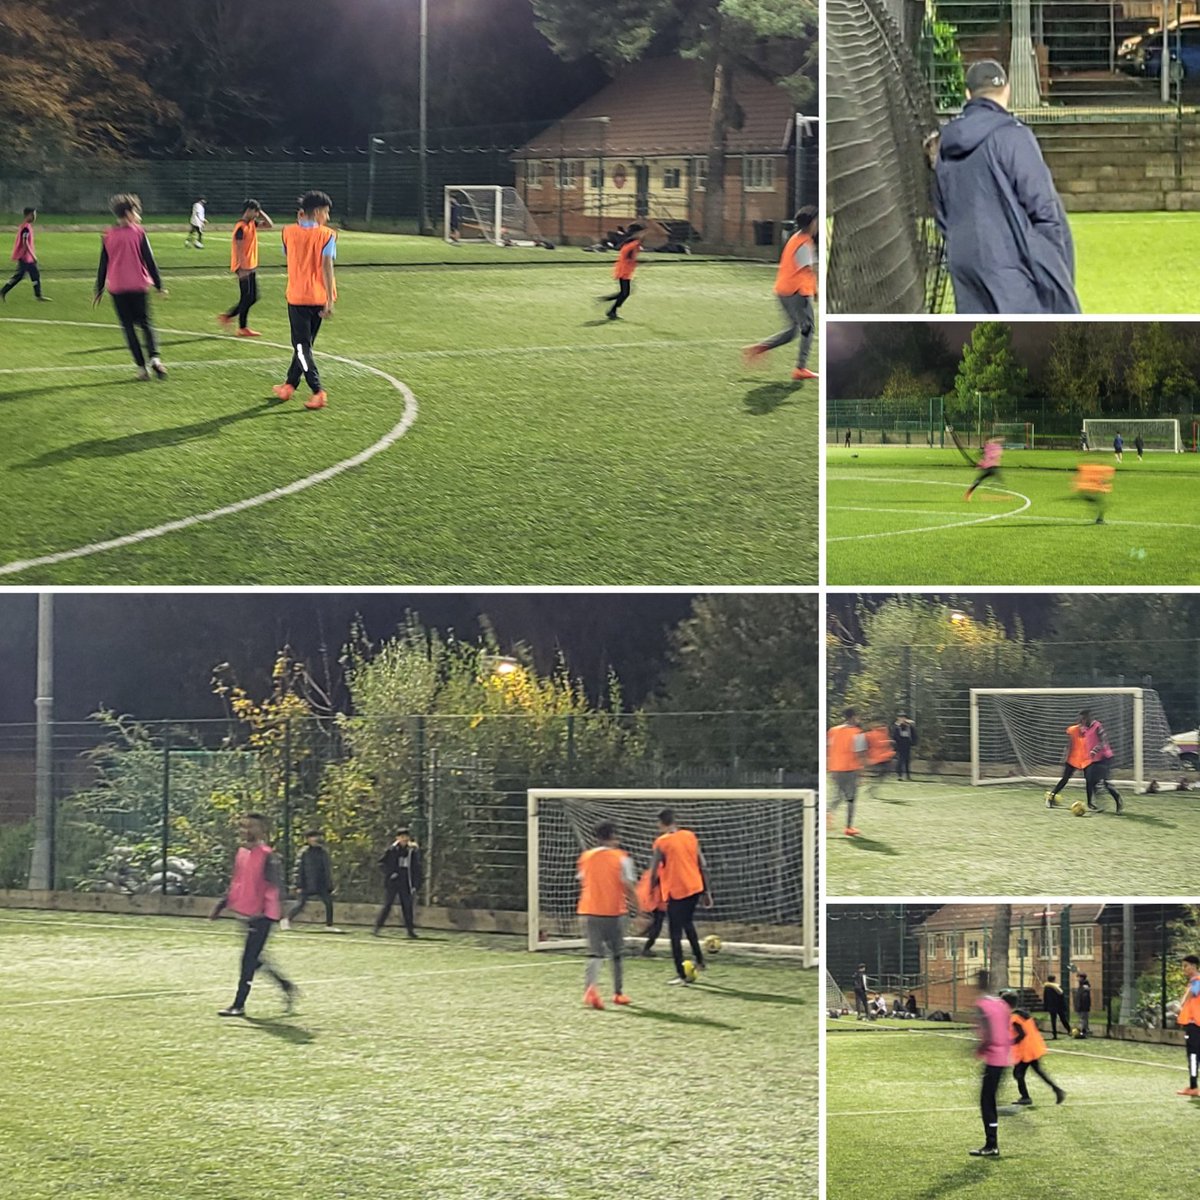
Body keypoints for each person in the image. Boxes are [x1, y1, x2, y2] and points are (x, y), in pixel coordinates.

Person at [933, 60, 1079, 315]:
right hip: (1012, 267)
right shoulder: (1014, 136)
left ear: (968, 94)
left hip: (965, 263)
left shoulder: (945, 145)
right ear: (1007, 90)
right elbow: (1043, 207)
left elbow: (942, 211)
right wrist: (1057, 268)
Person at [209, 813, 297, 1017]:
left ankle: (238, 1005)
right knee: (255, 959)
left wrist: (272, 912)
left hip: (262, 916)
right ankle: (286, 986)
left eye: (252, 827)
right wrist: (222, 905)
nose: (247, 830)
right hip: (245, 913)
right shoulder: (241, 852)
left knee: (248, 959)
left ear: (261, 830)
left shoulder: (268, 855)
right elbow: (237, 882)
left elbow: (276, 887)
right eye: (244, 826)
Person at [273, 190, 337, 411]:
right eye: (326, 212)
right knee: (304, 346)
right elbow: (327, 268)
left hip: (298, 297)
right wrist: (330, 299)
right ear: (318, 212)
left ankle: (317, 390)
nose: (327, 217)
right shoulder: (328, 235)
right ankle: (289, 385)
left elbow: (287, 253)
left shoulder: (287, 232)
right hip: (319, 297)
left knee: (301, 347)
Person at [93, 193, 167, 381]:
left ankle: (142, 369)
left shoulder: (107, 235)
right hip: (138, 285)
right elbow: (150, 260)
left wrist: (99, 289)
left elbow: (103, 264)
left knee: (128, 328)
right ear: (128, 213)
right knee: (146, 323)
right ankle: (155, 359)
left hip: (117, 287)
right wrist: (159, 285)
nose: (137, 215)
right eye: (135, 211)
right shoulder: (139, 233)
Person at [741, 205, 819, 382]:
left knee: (792, 331)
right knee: (808, 328)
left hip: (783, 291)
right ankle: (800, 368)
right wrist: (815, 291)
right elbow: (807, 270)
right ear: (813, 222)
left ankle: (759, 348)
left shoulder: (795, 239)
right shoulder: (804, 244)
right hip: (797, 293)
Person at [577, 821, 638, 1009]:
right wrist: (640, 908)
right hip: (614, 911)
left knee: (594, 953)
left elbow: (582, 880)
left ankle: (590, 989)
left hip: (588, 910)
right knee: (617, 954)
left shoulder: (586, 857)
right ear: (613, 835)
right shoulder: (621, 858)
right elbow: (628, 885)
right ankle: (618, 993)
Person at [648, 808, 712, 985]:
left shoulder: (661, 842)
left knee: (675, 933)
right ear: (675, 820)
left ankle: (682, 974)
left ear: (660, 823)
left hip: (677, 890)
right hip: (695, 886)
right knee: (688, 923)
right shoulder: (690, 836)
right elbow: (703, 864)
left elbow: (654, 871)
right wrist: (707, 891)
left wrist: (650, 889)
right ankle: (699, 960)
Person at [971, 971, 1011, 1157]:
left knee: (986, 1101)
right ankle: (992, 1143)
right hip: (1004, 1058)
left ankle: (991, 1145)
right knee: (990, 1100)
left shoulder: (983, 1005)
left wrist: (981, 1048)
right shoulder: (1002, 1004)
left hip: (994, 1058)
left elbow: (989, 1031)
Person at [219, 199, 273, 337]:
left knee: (249, 297)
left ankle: (240, 325)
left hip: (250, 265)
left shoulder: (252, 224)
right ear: (248, 210)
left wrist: (261, 212)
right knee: (250, 297)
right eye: (255, 211)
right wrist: (241, 268)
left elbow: (269, 225)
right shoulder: (241, 227)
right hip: (244, 267)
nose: (256, 215)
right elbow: (239, 248)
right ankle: (231, 317)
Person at [1005, 992, 1066, 1105]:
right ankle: (1057, 1090)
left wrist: (1009, 1042)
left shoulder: (1014, 1017)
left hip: (1025, 1050)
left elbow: (1021, 1034)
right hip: (1033, 1047)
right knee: (1037, 1072)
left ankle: (1025, 1097)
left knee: (1018, 1073)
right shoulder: (1023, 1014)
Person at [283, 829, 339, 931]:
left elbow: (327, 869)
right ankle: (286, 920)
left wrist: (330, 884)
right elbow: (298, 870)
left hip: (321, 883)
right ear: (308, 839)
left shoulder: (323, 852)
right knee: (300, 904)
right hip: (307, 884)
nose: (316, 839)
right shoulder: (304, 852)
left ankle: (329, 925)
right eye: (313, 837)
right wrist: (298, 885)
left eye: (317, 836)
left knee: (328, 903)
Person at [374, 827, 422, 938]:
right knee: (388, 905)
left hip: (405, 882)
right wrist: (391, 873)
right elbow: (381, 863)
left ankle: (410, 931)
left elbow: (416, 868)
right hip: (393, 882)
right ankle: (377, 927)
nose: (404, 839)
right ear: (397, 838)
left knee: (407, 906)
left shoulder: (412, 851)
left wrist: (415, 884)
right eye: (402, 837)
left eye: (406, 837)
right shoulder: (392, 850)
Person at [828, 707, 867, 837]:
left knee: (838, 796)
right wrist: (862, 772)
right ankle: (849, 827)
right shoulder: (857, 733)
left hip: (836, 768)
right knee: (851, 798)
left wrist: (830, 767)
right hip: (850, 769)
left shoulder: (833, 731)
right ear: (853, 717)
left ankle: (827, 814)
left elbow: (829, 749)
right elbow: (859, 753)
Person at [1044, 709, 1093, 808]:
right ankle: (1051, 797)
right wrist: (1065, 756)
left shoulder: (1092, 730)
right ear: (1080, 719)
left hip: (1086, 760)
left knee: (1090, 780)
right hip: (1072, 759)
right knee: (1065, 779)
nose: (1085, 720)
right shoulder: (1073, 730)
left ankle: (1090, 803)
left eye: (1087, 718)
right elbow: (1069, 745)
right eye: (1083, 718)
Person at [1, 207, 49, 302]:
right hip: (25, 257)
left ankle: (38, 295)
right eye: (34, 214)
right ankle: (2, 291)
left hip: (27, 257)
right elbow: (25, 243)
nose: (35, 217)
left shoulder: (25, 226)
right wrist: (33, 255)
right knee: (19, 276)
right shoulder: (26, 228)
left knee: (34, 274)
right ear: (29, 215)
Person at [600, 223, 645, 320]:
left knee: (624, 292)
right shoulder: (634, 244)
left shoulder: (630, 242)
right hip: (624, 271)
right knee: (625, 293)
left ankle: (611, 308)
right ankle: (610, 308)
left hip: (624, 269)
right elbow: (629, 258)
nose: (643, 234)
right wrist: (641, 262)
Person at [1081, 712, 1123, 814]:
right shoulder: (1085, 729)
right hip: (1094, 760)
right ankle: (1100, 805)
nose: (1082, 721)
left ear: (1088, 718)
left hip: (1105, 757)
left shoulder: (1097, 726)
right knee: (1092, 782)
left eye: (1083, 719)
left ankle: (1118, 802)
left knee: (1105, 782)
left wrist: (1095, 750)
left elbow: (1103, 741)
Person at [1176, 954, 1200, 1097]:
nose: (1183, 969)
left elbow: (1194, 991)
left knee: (1192, 1055)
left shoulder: (1196, 981)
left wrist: (1181, 1003)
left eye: (1185, 966)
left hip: (1194, 1024)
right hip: (1195, 1023)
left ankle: (1193, 1087)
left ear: (1193, 966)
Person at [635, 861, 666, 957]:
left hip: (655, 897)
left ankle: (645, 944)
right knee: (657, 924)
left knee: (655, 923)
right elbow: (656, 879)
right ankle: (646, 948)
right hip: (656, 899)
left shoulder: (656, 867)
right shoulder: (662, 868)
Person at [1074, 461, 1115, 525]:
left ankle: (1098, 518)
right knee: (1102, 505)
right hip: (1086, 493)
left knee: (1100, 504)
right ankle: (1099, 520)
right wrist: (1103, 488)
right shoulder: (1097, 474)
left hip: (1085, 492)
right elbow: (1099, 482)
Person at [1043, 974, 1072, 1039]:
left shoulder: (1047, 987)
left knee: (1053, 1020)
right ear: (1054, 980)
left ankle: (1055, 1034)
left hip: (1052, 1006)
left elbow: (1045, 998)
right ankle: (1069, 1030)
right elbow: (1062, 997)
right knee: (1063, 1019)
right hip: (1059, 1006)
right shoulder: (1058, 987)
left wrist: (1046, 1006)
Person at [891, 714, 917, 780]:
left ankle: (907, 775)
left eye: (904, 718)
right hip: (899, 746)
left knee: (907, 760)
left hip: (907, 745)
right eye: (901, 718)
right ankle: (899, 775)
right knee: (900, 760)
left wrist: (913, 743)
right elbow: (894, 736)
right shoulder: (896, 726)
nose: (902, 719)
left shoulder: (909, 726)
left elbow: (913, 735)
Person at [1076, 972, 1092, 1038]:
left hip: (1083, 1006)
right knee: (1083, 1019)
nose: (1078, 979)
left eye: (1079, 977)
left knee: (1083, 1019)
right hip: (1082, 1005)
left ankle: (1083, 1031)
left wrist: (1080, 1005)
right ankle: (1085, 1030)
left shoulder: (1084, 987)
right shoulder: (1082, 986)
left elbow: (1083, 997)